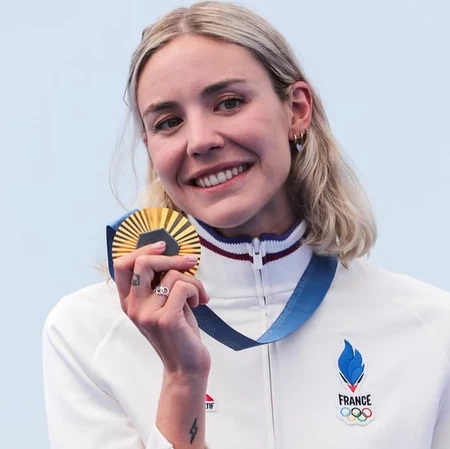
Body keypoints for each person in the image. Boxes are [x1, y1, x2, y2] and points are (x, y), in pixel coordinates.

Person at [42, 2, 450, 448]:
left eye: (229, 103)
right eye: (169, 122)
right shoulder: (87, 333)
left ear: (296, 110)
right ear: (151, 148)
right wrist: (182, 379)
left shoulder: (432, 330)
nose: (200, 141)